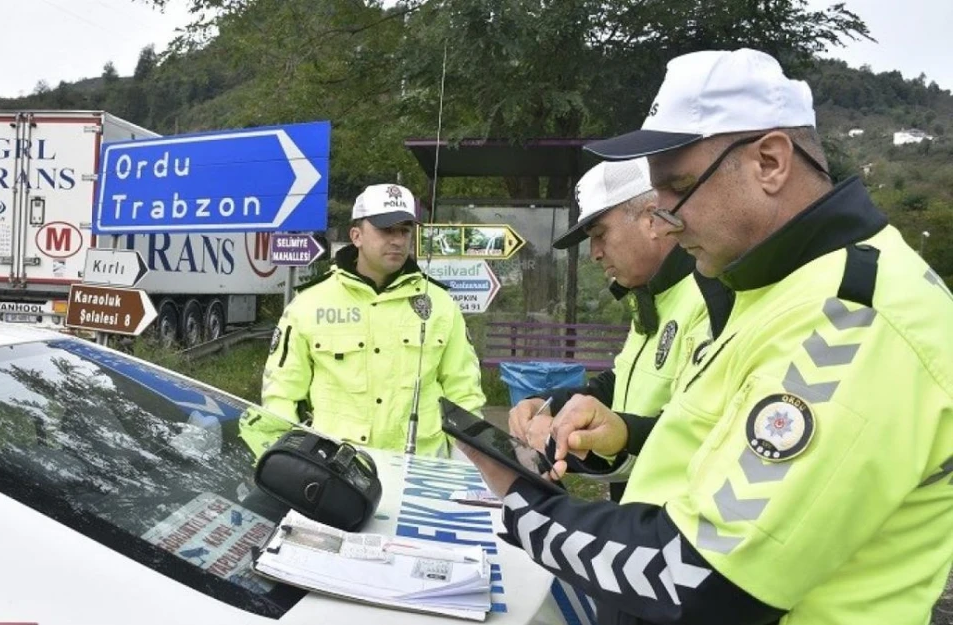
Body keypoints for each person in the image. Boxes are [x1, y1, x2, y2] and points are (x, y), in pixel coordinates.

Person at [457, 48, 953, 624]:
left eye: (679, 188)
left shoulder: (854, 317)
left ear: (770, 162)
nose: (663, 218)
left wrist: (522, 505)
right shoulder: (774, 288)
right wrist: (617, 436)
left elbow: (703, 576)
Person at [507, 158, 732, 502]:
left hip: (680, 522)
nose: (595, 253)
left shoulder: (713, 296)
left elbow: (705, 431)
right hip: (636, 514)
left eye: (600, 235)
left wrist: (623, 434)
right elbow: (621, 381)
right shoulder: (648, 296)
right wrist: (548, 405)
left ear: (652, 217)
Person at [242, 183, 486, 458]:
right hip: (337, 470)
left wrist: (465, 468)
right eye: (386, 230)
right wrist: (287, 462)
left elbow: (464, 394)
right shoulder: (309, 304)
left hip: (422, 470)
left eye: (405, 231)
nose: (397, 240)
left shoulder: (439, 304)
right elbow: (281, 394)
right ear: (356, 236)